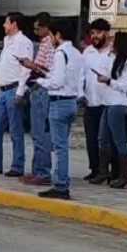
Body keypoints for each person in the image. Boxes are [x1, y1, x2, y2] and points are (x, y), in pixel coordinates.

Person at [0, 12, 34, 177]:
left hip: (14, 89)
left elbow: (26, 68)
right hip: (2, 91)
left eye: (6, 22)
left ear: (14, 24)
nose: (4, 25)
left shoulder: (23, 42)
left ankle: (17, 166)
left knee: (16, 130)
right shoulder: (7, 41)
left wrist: (20, 91)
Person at [37, 23, 84, 200]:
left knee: (60, 147)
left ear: (58, 35)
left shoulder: (60, 53)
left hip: (59, 102)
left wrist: (40, 82)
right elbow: (78, 79)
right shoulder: (77, 54)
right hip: (71, 102)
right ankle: (60, 181)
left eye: (52, 35)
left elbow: (57, 81)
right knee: (62, 145)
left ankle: (61, 185)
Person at [90, 31, 127, 189]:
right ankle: (104, 172)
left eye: (113, 40)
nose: (110, 42)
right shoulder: (109, 57)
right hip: (107, 102)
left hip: (118, 104)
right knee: (102, 138)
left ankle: (125, 175)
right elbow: (99, 68)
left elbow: (125, 86)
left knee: (119, 140)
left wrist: (109, 81)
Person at [18, 12, 56, 186]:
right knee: (36, 133)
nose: (35, 31)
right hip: (37, 89)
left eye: (37, 28)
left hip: (42, 89)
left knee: (40, 133)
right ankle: (37, 170)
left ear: (45, 27)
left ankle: (42, 172)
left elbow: (46, 70)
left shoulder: (49, 44)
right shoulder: (45, 43)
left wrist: (30, 65)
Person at [80, 19, 112, 181]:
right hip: (90, 101)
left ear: (107, 33)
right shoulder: (87, 52)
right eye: (92, 33)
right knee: (91, 138)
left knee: (105, 140)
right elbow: (81, 75)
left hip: (107, 103)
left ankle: (107, 171)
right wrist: (81, 94)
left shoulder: (113, 53)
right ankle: (94, 169)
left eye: (98, 33)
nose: (95, 36)